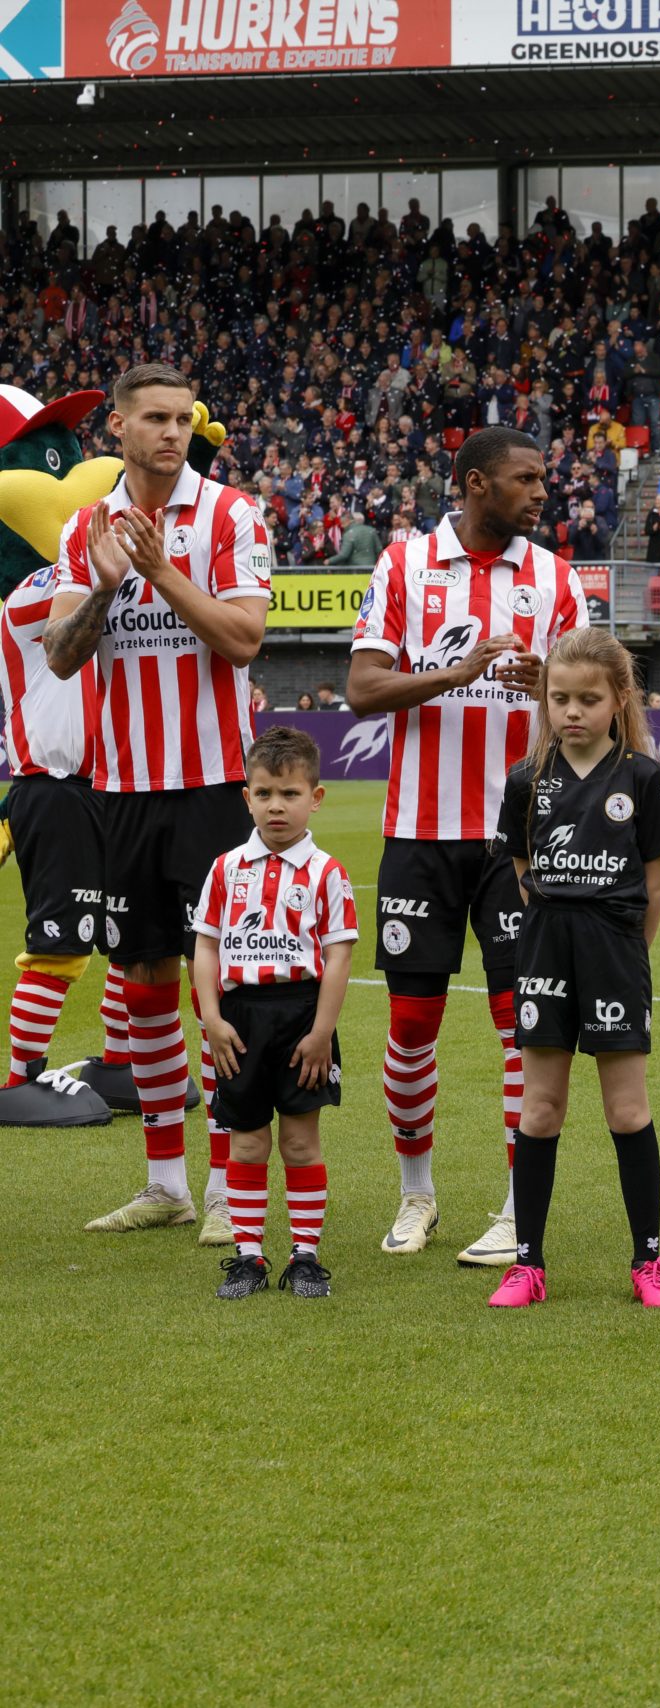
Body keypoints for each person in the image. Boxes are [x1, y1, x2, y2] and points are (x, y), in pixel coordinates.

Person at [349, 426, 586, 1267]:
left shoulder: (555, 577)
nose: (540, 491)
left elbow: (603, 697)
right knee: (411, 1026)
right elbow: (362, 688)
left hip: (519, 842)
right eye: (525, 478)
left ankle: (520, 1209)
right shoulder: (405, 568)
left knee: (522, 1028)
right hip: (419, 833)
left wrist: (556, 686)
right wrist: (455, 675)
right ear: (476, 483)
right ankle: (417, 1194)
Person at [51, 366, 271, 1237]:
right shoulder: (83, 526)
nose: (173, 433)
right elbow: (64, 660)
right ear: (118, 427)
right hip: (122, 788)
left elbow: (246, 636)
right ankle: (165, 1183)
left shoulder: (231, 514)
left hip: (216, 783)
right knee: (140, 977)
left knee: (216, 979)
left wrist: (161, 572)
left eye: (183, 419)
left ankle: (224, 1188)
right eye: (155, 419)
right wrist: (107, 585)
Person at [489, 628, 660, 1309]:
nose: (572, 712)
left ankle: (649, 1263)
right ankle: (527, 1265)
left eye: (588, 699)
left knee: (627, 1109)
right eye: (559, 698)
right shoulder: (526, 780)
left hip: (615, 951)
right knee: (540, 1109)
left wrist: (629, 953)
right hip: (544, 950)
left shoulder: (644, 778)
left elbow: (656, 887)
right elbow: (520, 872)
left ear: (619, 699)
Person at [193, 726, 358, 1300]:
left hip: (301, 1019)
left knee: (299, 1143)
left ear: (315, 797)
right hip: (237, 1022)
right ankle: (248, 1257)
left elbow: (338, 958)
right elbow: (206, 947)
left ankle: (306, 1256)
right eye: (264, 793)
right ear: (247, 797)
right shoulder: (225, 869)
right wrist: (211, 1020)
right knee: (245, 1143)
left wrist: (321, 1033)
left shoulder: (327, 873)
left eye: (289, 793)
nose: (276, 805)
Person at [0, 512, 116, 1127]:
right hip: (54, 784)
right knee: (61, 942)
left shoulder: (81, 579)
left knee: (126, 935)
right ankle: (23, 1076)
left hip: (110, 788)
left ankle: (121, 1061)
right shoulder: (30, 595)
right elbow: (72, 623)